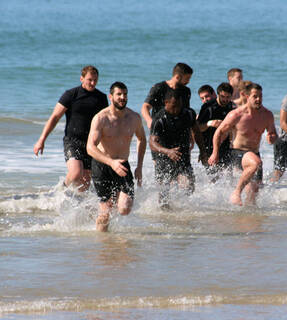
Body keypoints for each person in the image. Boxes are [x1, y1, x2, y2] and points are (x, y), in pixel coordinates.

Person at [33, 65, 108, 191]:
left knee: (84, 184)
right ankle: (60, 192)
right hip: (72, 141)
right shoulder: (71, 95)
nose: (93, 83)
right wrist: (41, 140)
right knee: (75, 173)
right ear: (81, 79)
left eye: (95, 80)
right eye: (89, 79)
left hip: (90, 143)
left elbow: (104, 123)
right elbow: (55, 117)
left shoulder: (101, 98)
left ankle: (75, 207)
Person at [87, 82, 146, 232]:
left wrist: (139, 166)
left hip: (123, 165)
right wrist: (111, 163)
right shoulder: (101, 118)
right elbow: (90, 148)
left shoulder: (134, 118)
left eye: (125, 94)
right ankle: (105, 245)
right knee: (106, 213)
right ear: (111, 96)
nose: (122, 97)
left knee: (125, 209)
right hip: (102, 166)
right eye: (119, 94)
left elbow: (142, 139)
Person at [208, 83, 277, 206]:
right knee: (256, 163)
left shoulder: (267, 115)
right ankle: (236, 192)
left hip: (254, 153)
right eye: (255, 96)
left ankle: (246, 220)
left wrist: (271, 136)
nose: (258, 99)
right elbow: (218, 132)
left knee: (253, 194)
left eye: (260, 96)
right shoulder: (236, 114)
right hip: (238, 153)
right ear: (246, 96)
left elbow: (273, 134)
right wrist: (215, 153)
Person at [149, 90, 207, 209]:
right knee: (164, 194)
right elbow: (152, 143)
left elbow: (197, 132)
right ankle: (165, 215)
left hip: (183, 155)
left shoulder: (188, 114)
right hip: (164, 158)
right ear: (166, 103)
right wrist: (168, 151)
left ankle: (182, 212)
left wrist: (202, 151)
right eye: (174, 106)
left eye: (180, 106)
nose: (177, 110)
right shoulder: (159, 118)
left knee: (189, 186)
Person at [197, 82, 234, 181]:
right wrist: (210, 123)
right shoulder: (208, 107)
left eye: (228, 97)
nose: (225, 99)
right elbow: (198, 127)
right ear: (217, 94)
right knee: (213, 179)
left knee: (228, 178)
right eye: (222, 96)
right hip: (208, 148)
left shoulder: (232, 107)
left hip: (226, 148)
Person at [141, 62, 193, 129]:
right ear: (177, 77)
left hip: (179, 130)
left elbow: (186, 112)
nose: (188, 81)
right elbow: (145, 107)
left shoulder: (186, 91)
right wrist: (149, 121)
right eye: (187, 78)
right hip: (160, 128)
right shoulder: (159, 88)